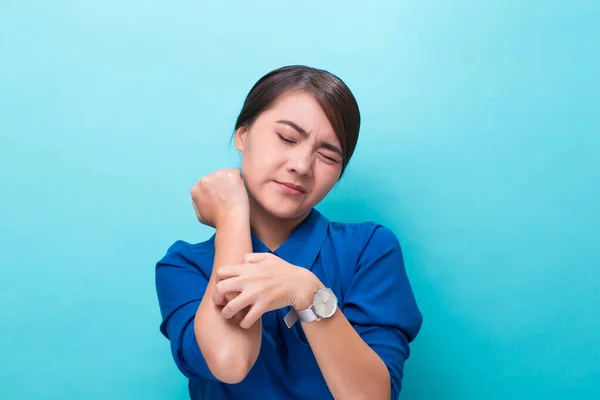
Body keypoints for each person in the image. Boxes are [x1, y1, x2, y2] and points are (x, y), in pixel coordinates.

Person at [155, 65, 423, 400]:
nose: (301, 165)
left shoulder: (368, 250)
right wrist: (233, 215)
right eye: (286, 138)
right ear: (242, 133)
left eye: (327, 155)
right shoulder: (184, 266)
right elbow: (231, 361)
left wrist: (309, 294)